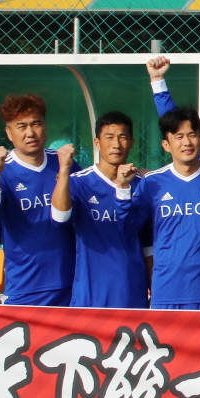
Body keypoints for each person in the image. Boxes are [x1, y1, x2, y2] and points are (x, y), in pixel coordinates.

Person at [0, 94, 75, 306]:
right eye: (21, 126)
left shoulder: (65, 164)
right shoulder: (0, 171)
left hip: (71, 282)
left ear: (45, 126)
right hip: (25, 285)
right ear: (9, 133)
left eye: (36, 124)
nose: (30, 133)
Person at [136, 107, 200, 310]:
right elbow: (132, 228)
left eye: (192, 135)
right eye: (179, 137)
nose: (187, 142)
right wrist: (121, 191)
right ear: (166, 144)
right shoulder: (151, 183)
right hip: (167, 292)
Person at [67, 111, 149, 309]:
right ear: (97, 142)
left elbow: (145, 238)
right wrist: (62, 172)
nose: (116, 144)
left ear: (131, 142)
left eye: (122, 137)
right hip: (91, 292)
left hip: (131, 290)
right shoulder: (78, 182)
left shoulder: (143, 185)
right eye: (109, 137)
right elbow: (59, 218)